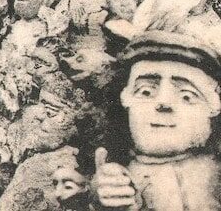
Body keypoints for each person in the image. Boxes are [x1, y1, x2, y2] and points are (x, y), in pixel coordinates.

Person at [91, 31, 221, 210]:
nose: (163, 103)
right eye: (146, 92)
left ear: (213, 107)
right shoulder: (120, 178)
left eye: (186, 96)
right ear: (125, 100)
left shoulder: (216, 175)